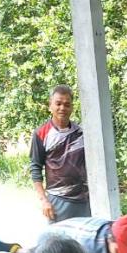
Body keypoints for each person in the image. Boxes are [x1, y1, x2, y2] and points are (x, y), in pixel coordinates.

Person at [30, 86, 89, 223]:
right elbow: (35, 168)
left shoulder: (81, 133)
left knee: (81, 243)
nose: (62, 108)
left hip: (84, 201)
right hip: (57, 202)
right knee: (57, 243)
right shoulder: (41, 134)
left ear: (72, 107)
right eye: (58, 103)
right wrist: (44, 200)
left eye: (67, 104)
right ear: (50, 105)